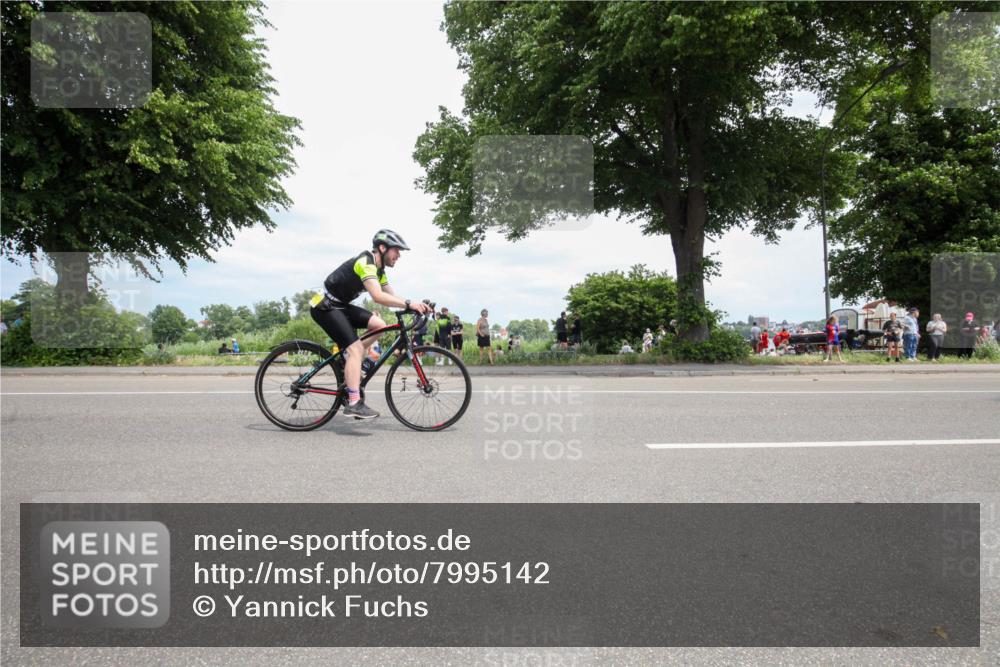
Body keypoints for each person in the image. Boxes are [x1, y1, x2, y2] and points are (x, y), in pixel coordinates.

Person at [309, 229, 431, 420]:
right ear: (382, 248)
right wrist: (408, 304)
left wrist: (414, 305)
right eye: (396, 250)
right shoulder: (365, 262)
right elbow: (378, 296)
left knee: (378, 325)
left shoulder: (379, 270)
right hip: (324, 306)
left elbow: (391, 295)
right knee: (356, 349)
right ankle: (353, 403)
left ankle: (350, 361)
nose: (398, 255)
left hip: (340, 306)